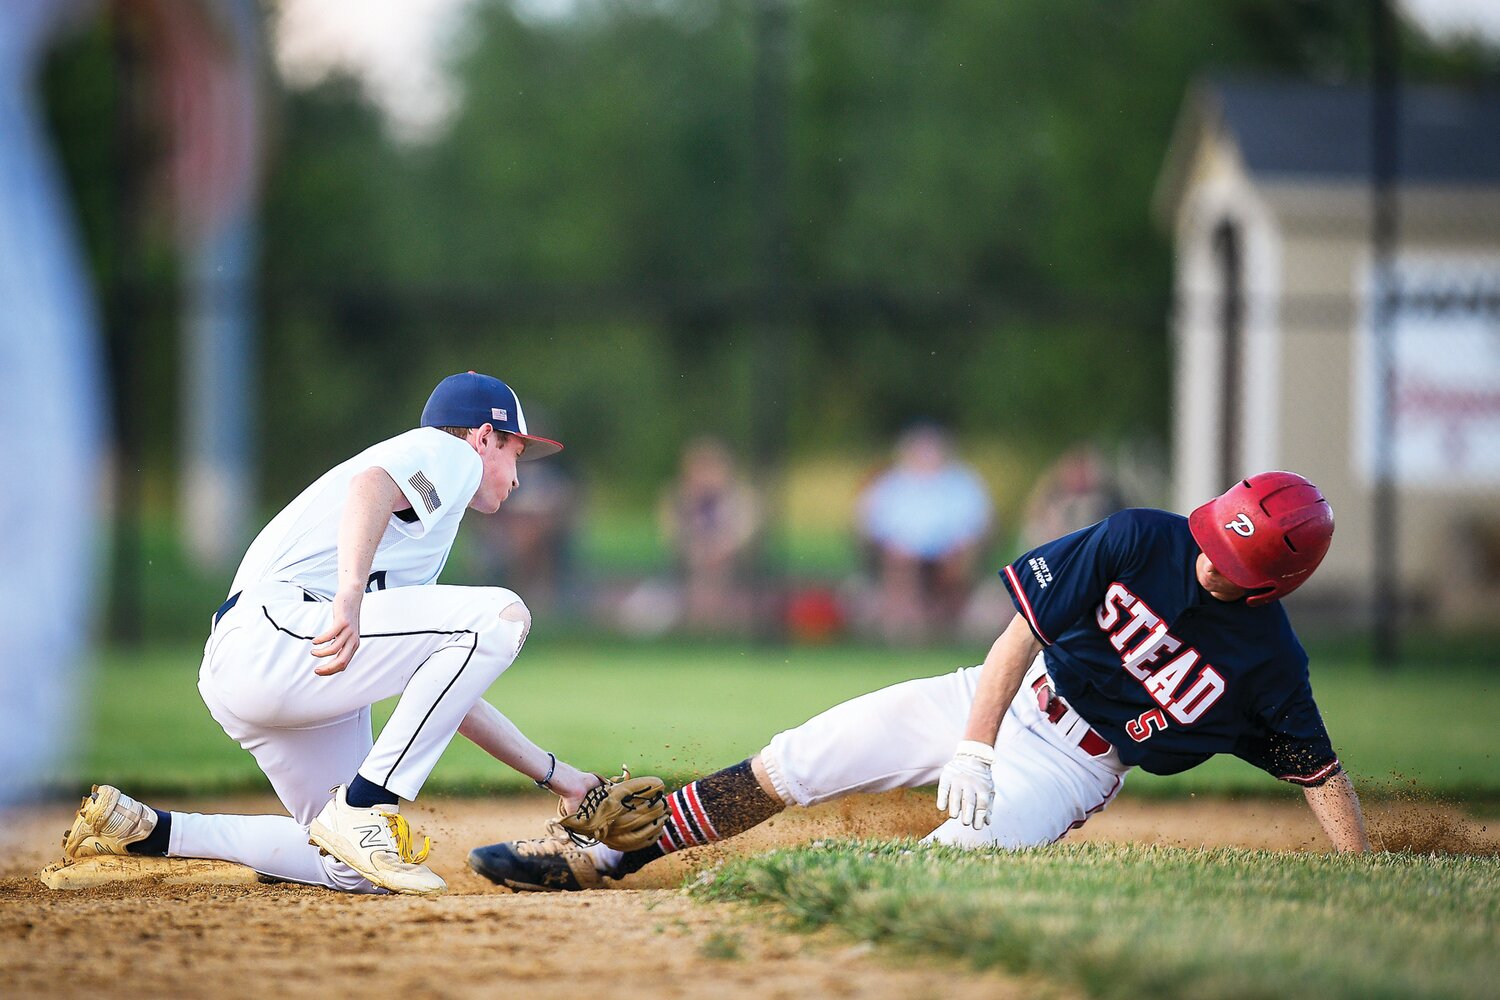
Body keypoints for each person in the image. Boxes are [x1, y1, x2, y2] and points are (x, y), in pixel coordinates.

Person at [468, 471, 1370, 891]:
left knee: (955, 865)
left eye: (1229, 560)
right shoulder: (1144, 537)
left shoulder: (1268, 664)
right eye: (1214, 537)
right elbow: (1025, 629)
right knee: (796, 761)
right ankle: (606, 858)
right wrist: (974, 743)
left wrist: (1361, 876)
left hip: (1069, 768)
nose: (1208, 559)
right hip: (997, 694)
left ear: (1277, 584)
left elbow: (1317, 772)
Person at [62, 372, 615, 897]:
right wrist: (350, 593)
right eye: (516, 452)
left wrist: (560, 777)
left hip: (284, 662)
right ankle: (367, 806)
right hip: (280, 631)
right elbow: (371, 485)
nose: (518, 476)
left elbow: (449, 690)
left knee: (349, 870)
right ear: (484, 436)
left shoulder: (421, 539)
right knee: (503, 615)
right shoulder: (452, 454)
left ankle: (145, 830)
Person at [856, 423, 993, 643]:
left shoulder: (962, 483)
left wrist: (956, 547)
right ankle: (906, 625)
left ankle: (948, 623)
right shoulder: (890, 485)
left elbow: (976, 525)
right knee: (899, 562)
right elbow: (874, 525)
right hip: (902, 554)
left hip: (949, 552)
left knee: (958, 562)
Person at [658, 436, 760, 630]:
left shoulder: (742, 497)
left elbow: (746, 532)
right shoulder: (678, 498)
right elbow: (672, 534)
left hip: (733, 565)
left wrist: (720, 549)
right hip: (692, 564)